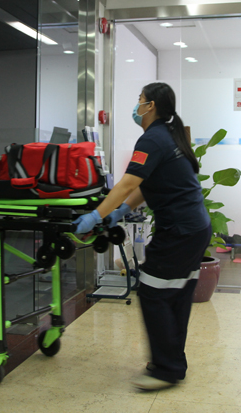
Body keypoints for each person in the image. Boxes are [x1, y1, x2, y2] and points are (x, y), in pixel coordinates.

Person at [73, 82, 211, 392]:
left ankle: (166, 369)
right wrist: (120, 211)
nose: (136, 106)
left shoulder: (152, 139)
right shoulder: (169, 134)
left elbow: (126, 184)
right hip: (194, 229)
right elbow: (147, 186)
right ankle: (172, 363)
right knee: (176, 295)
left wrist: (96, 215)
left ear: (151, 106)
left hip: (179, 231)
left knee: (152, 292)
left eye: (140, 100)